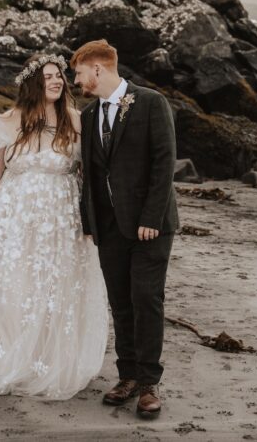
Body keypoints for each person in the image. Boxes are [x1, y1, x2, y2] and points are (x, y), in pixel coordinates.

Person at [0, 53, 108, 400]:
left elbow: (90, 173)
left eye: (60, 76)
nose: (57, 81)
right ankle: (13, 359)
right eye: (48, 76)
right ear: (32, 83)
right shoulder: (9, 120)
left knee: (59, 284)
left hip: (61, 218)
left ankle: (48, 360)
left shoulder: (76, 120)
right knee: (14, 283)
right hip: (16, 216)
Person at [71, 39, 179, 419]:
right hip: (109, 228)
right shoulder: (87, 117)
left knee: (146, 300)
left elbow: (165, 163)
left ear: (97, 69)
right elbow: (89, 174)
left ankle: (150, 383)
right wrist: (91, 223)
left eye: (79, 73)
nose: (77, 81)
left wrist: (151, 217)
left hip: (151, 226)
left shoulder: (150, 103)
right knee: (120, 303)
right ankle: (128, 376)